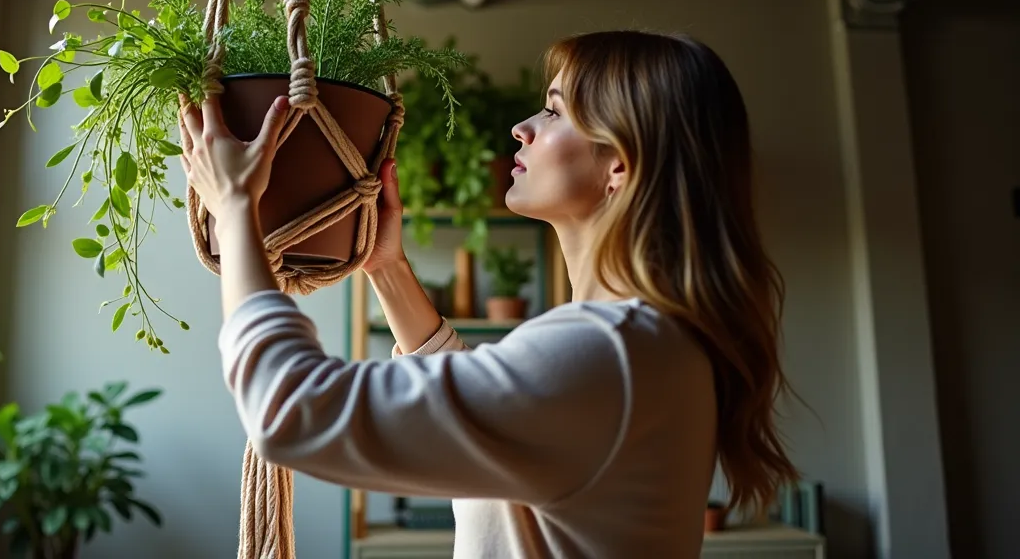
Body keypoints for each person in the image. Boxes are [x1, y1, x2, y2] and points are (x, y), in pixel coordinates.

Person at [178, 31, 799, 558]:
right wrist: (387, 268)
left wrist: (236, 209)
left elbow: (289, 410)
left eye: (554, 112)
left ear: (620, 165)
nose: (522, 128)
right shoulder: (640, 345)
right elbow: (492, 407)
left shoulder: (608, 353)